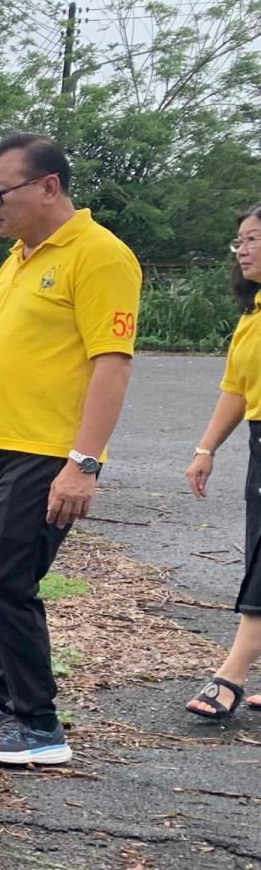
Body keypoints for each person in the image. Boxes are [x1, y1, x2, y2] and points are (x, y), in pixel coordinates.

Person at [0, 134, 141, 765]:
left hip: (48, 453)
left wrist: (84, 462)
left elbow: (111, 364)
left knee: (5, 579)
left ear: (48, 186)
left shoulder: (99, 255)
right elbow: (1, 360)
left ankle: (39, 725)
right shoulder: (17, 260)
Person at [180, 204, 261, 719]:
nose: (243, 251)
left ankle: (230, 675)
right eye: (240, 241)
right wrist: (205, 450)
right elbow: (236, 387)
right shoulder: (253, 315)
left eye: (253, 239)